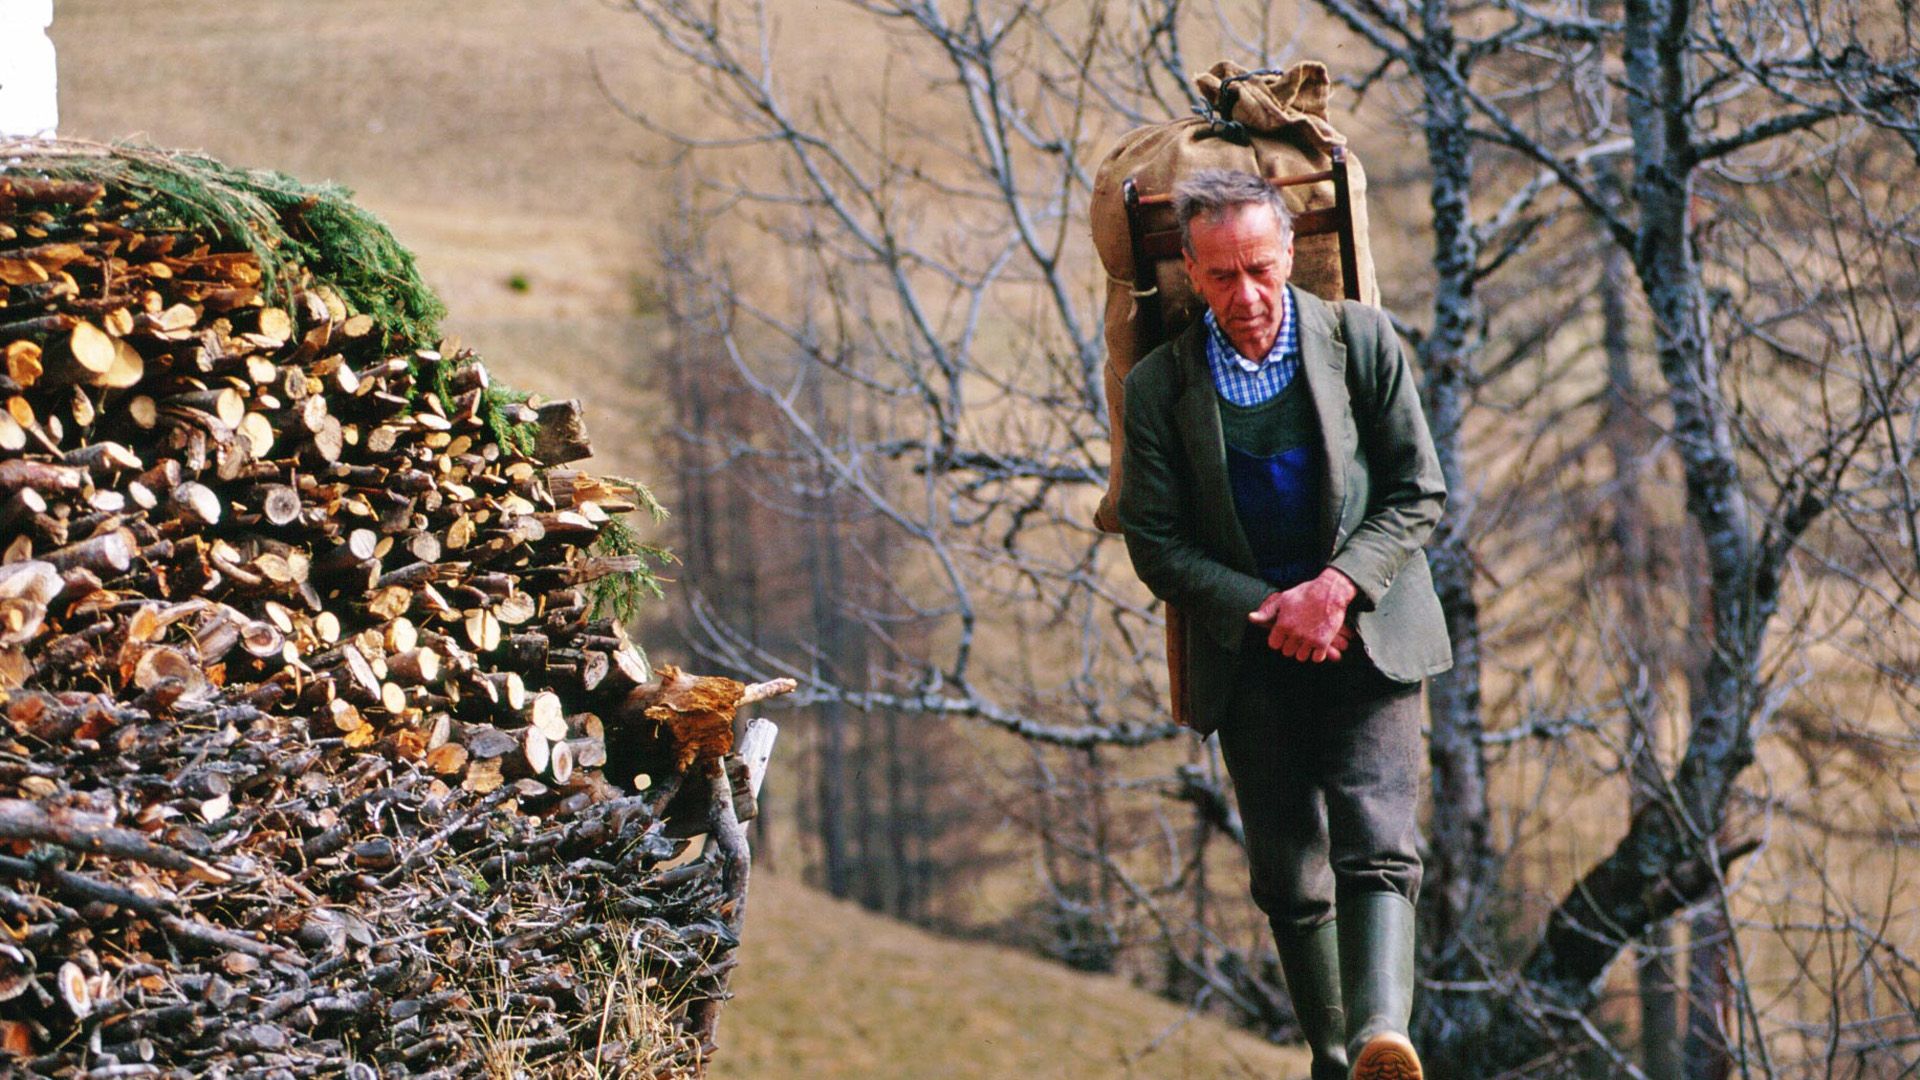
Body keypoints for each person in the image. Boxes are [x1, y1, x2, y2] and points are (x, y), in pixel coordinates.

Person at [1117, 168, 1452, 1080]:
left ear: (1291, 253)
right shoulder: (1160, 389)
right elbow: (1154, 540)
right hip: (1253, 654)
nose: (1247, 295)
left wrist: (1335, 588)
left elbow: (1417, 494)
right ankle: (1334, 1055)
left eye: (1261, 269)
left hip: (1369, 636)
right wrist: (1268, 610)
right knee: (1287, 874)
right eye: (1222, 276)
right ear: (1189, 269)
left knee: (1378, 844)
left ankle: (1385, 1038)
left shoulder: (1364, 342)